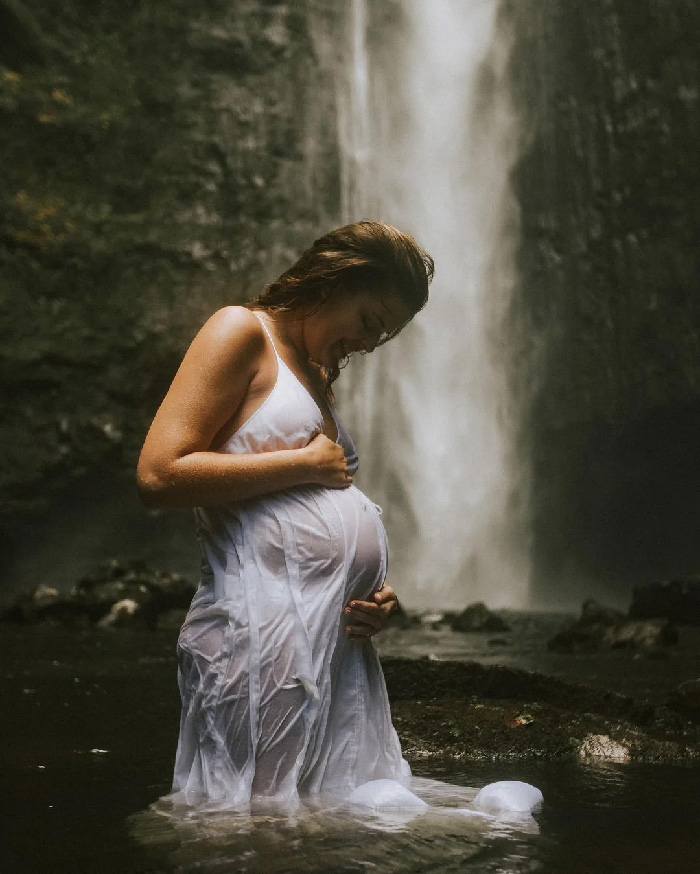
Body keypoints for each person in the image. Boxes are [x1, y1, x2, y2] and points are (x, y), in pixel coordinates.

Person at [137, 220, 434, 809]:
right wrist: (300, 465)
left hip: (334, 650)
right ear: (333, 281)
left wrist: (371, 591)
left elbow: (310, 508)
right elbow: (158, 475)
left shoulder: (318, 373)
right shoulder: (239, 330)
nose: (370, 344)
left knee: (323, 832)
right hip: (257, 639)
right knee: (253, 829)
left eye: (384, 337)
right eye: (370, 322)